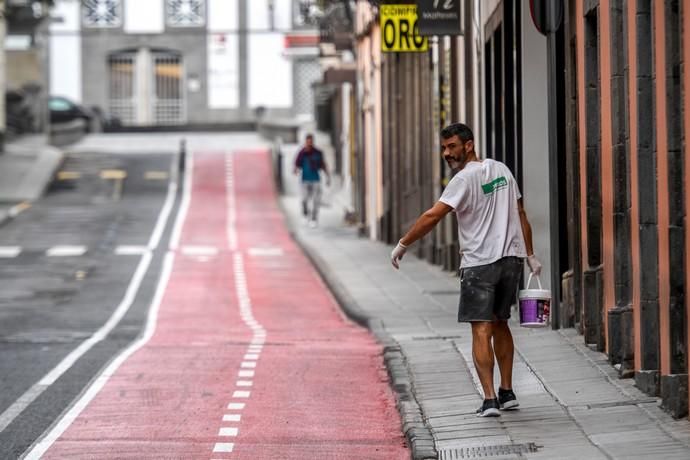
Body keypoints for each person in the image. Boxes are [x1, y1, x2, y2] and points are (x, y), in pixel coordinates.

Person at [390, 123, 542, 417]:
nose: (447, 153)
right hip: (511, 259)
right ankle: (507, 391)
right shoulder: (502, 171)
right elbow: (520, 213)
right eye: (444, 148)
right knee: (501, 323)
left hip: (479, 264)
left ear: (469, 145)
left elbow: (433, 215)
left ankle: (489, 399)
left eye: (452, 147)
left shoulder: (462, 180)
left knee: (482, 328)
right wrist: (530, 255)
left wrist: (403, 244)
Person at [294, 134, 330, 228]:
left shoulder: (318, 152)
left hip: (315, 180)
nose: (309, 144)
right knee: (304, 199)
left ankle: (314, 218)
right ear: (305, 142)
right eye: (307, 142)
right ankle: (305, 214)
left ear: (312, 142)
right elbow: (297, 165)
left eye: (310, 142)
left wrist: (327, 177)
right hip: (304, 180)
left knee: (315, 201)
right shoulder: (301, 153)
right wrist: (296, 170)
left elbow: (323, 165)